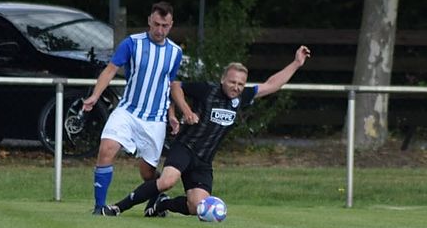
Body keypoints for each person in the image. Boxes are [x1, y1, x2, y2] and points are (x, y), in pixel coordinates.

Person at [99, 45, 311, 217]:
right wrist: (186, 110)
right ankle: (118, 208)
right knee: (167, 181)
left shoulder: (241, 98)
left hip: (204, 161)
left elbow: (271, 85)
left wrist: (296, 63)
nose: (236, 87)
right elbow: (176, 86)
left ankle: (162, 205)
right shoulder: (207, 90)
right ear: (223, 79)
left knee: (197, 206)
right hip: (185, 147)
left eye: (240, 84)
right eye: (232, 82)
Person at [83, 1, 196, 216]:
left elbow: (170, 85)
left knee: (147, 173)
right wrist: (95, 96)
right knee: (106, 149)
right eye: (156, 24)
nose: (160, 30)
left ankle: (156, 200)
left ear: (171, 25)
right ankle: (99, 207)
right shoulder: (132, 43)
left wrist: (172, 114)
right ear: (149, 21)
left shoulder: (175, 52)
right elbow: (110, 70)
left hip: (155, 119)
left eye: (165, 26)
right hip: (128, 111)